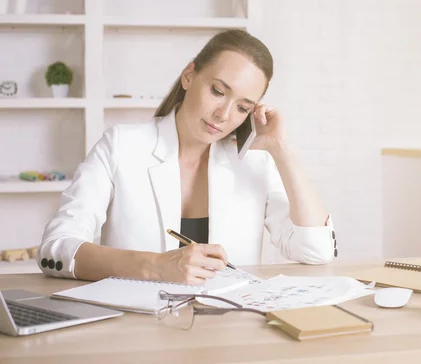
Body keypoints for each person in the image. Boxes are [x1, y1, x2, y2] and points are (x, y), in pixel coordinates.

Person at [37, 30, 337, 285]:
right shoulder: (121, 145)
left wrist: (280, 148)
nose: (224, 114)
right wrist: (155, 266)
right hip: (137, 334)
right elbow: (56, 249)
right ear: (189, 76)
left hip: (229, 331)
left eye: (243, 108)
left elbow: (316, 250)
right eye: (218, 91)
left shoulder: (254, 162)